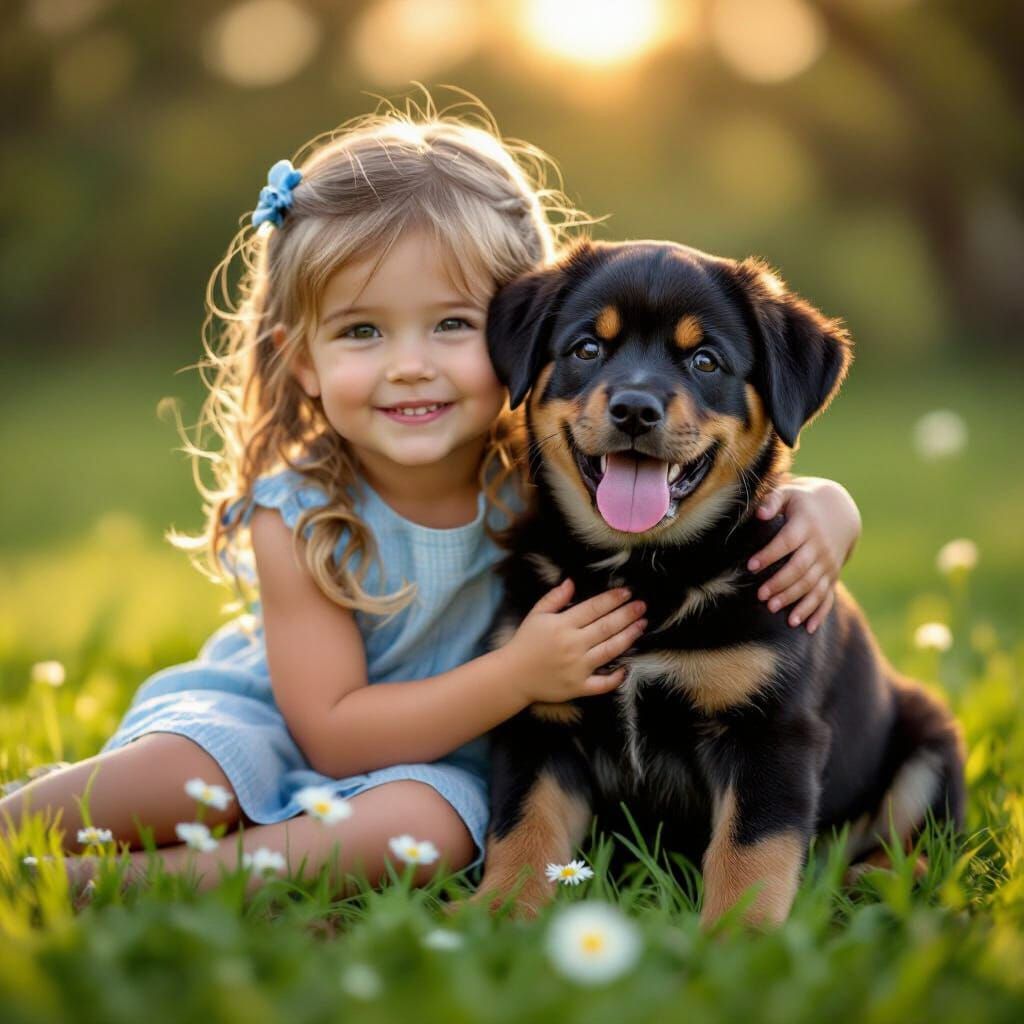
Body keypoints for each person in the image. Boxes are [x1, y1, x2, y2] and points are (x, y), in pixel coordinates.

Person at [0, 101, 862, 894]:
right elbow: (330, 734)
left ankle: (145, 884)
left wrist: (828, 507)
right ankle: (17, 826)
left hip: (435, 763)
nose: (409, 363)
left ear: (512, 340)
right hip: (278, 724)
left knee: (427, 835)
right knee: (190, 780)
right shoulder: (298, 509)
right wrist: (519, 674)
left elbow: (735, 487)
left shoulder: (545, 473)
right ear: (301, 358)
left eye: (451, 325)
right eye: (362, 330)